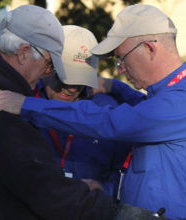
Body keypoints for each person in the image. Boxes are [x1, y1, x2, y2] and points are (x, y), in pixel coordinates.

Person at [0, 4, 186, 219]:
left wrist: (24, 104)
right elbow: (145, 111)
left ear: (149, 48)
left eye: (121, 59)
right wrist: (113, 87)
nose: (120, 70)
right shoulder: (173, 94)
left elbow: (112, 123)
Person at [34, 25, 132, 197]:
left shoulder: (108, 110)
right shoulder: (22, 99)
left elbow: (126, 178)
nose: (71, 89)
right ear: (48, 67)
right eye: (64, 79)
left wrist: (103, 189)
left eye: (79, 80)